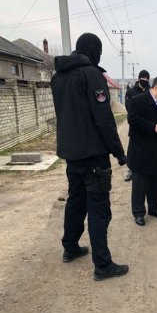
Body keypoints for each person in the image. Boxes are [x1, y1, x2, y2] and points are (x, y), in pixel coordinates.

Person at [51, 32, 129, 281]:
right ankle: (103, 265)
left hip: (71, 154)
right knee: (98, 209)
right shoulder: (91, 75)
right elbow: (104, 119)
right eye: (99, 52)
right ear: (93, 51)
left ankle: (70, 246)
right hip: (94, 156)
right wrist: (119, 152)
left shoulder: (57, 77)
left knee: (76, 201)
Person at [126, 76, 157, 226]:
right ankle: (138, 212)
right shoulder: (138, 101)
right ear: (155, 87)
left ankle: (154, 208)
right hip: (142, 150)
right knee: (140, 183)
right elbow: (133, 120)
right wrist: (153, 127)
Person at [123, 70, 151, 182]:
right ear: (139, 79)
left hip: (148, 126)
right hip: (135, 126)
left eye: (147, 78)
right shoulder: (131, 92)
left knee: (147, 149)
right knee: (133, 150)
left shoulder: (151, 91)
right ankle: (131, 171)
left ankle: (146, 169)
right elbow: (129, 108)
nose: (145, 80)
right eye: (143, 78)